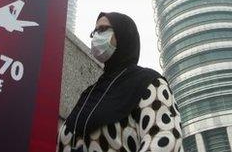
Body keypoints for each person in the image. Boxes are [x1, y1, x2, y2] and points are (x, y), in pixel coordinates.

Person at [57, 12, 183, 152]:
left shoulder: (149, 83)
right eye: (95, 32)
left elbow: (166, 140)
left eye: (103, 30)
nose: (96, 37)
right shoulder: (89, 94)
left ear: (124, 35)